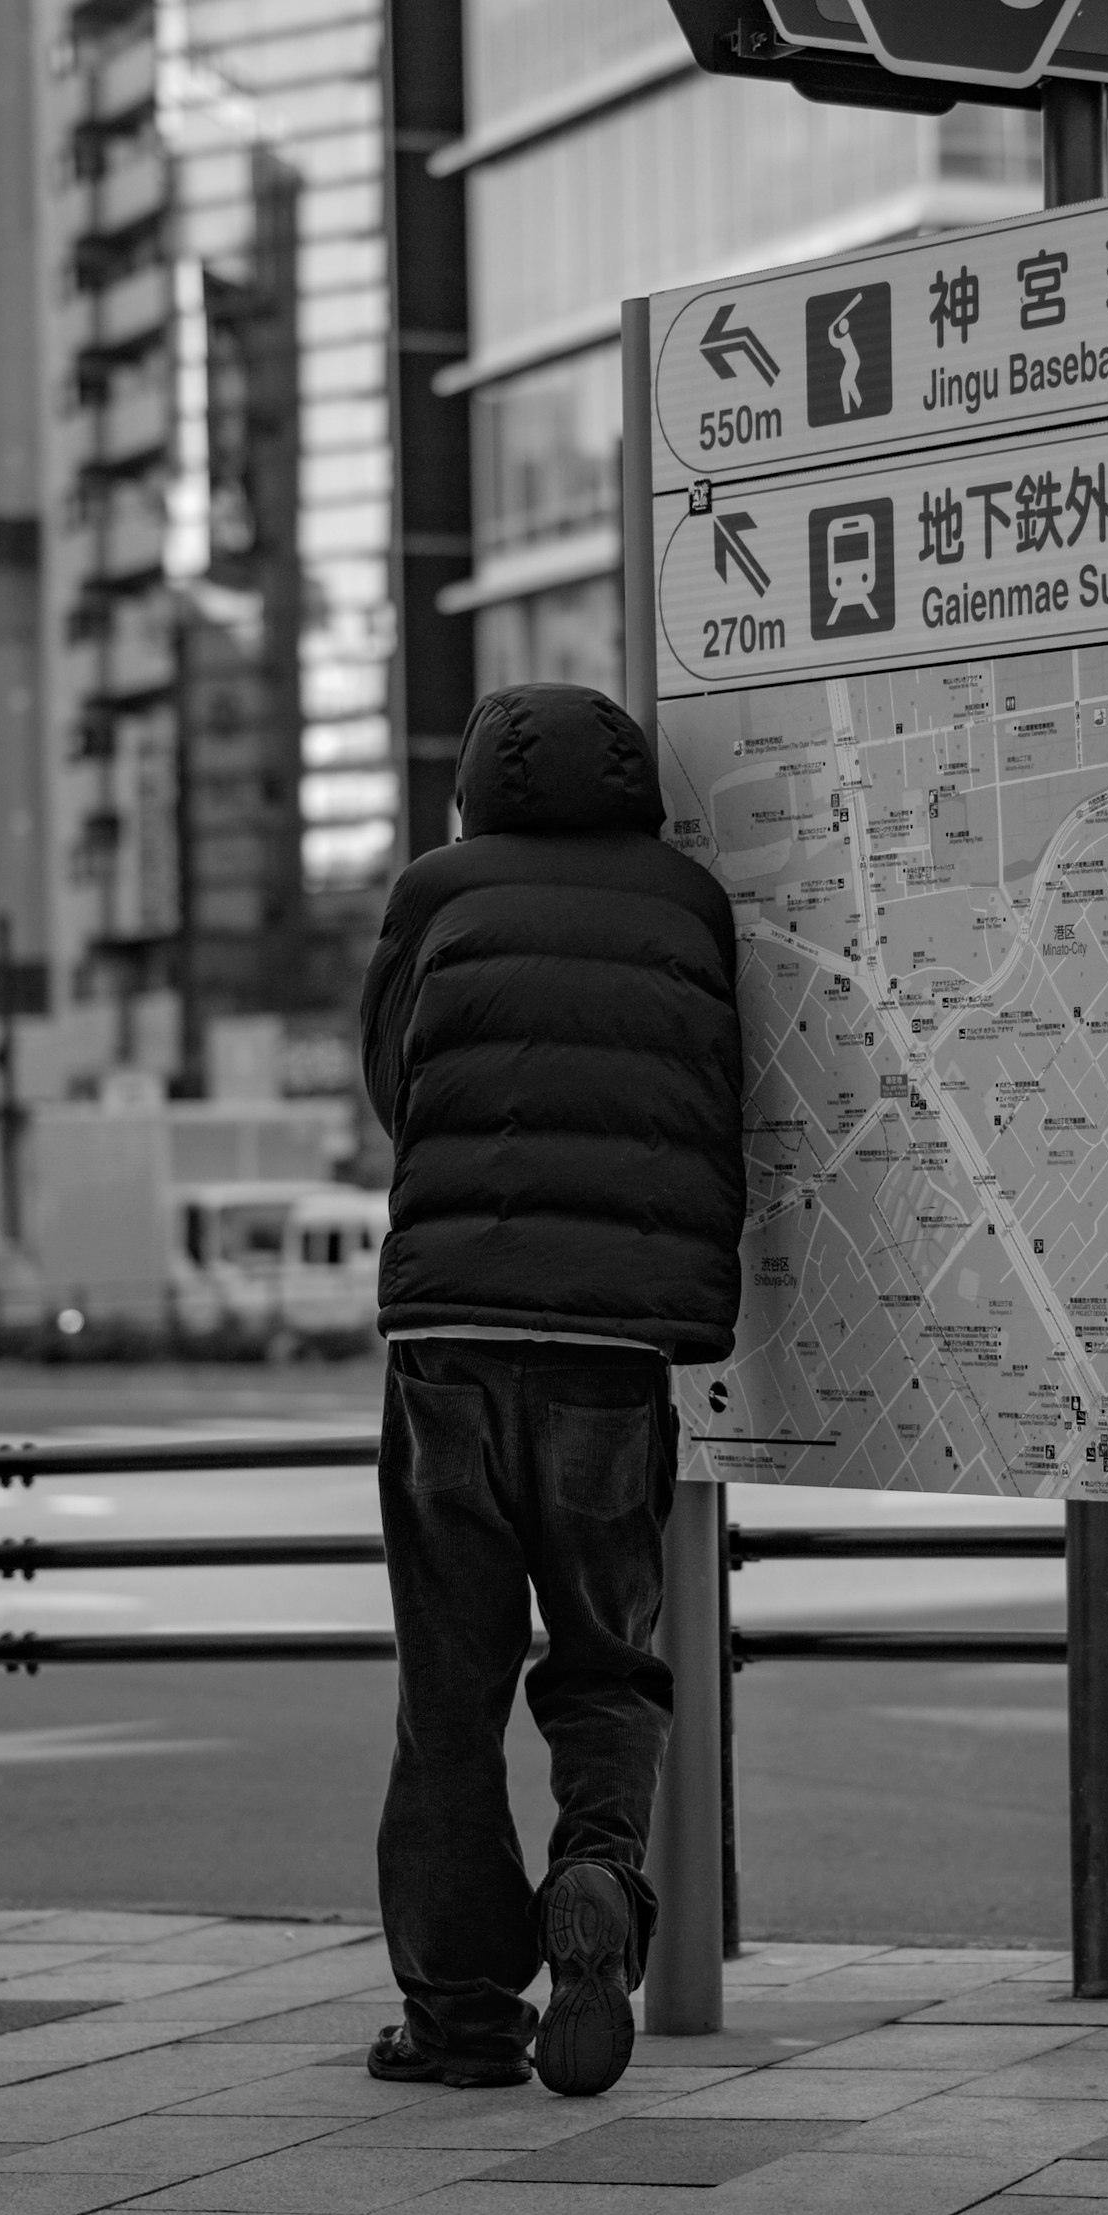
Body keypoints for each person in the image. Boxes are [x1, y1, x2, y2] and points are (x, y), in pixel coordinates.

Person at [358, 683, 745, 2099]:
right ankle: (595, 1874)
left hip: (450, 1335)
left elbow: (396, 1078)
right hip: (608, 1350)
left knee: (447, 1692)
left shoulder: (435, 889)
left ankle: (459, 2016)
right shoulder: (689, 902)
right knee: (604, 1658)